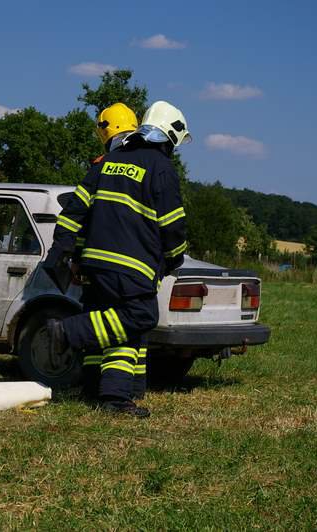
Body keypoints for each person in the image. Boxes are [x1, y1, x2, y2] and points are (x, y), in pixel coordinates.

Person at [45, 101, 190, 417]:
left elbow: (75, 211)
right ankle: (66, 332)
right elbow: (172, 225)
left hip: (95, 264)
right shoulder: (161, 168)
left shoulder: (107, 162)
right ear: (171, 137)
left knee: (117, 327)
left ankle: (112, 393)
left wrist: (68, 253)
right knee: (140, 316)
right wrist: (174, 257)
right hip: (133, 266)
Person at [72, 103, 147, 402]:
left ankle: (94, 387)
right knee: (131, 325)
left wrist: (77, 259)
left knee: (98, 319)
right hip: (135, 265)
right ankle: (132, 389)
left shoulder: (101, 166)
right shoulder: (146, 165)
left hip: (98, 263)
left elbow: (82, 218)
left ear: (105, 130)